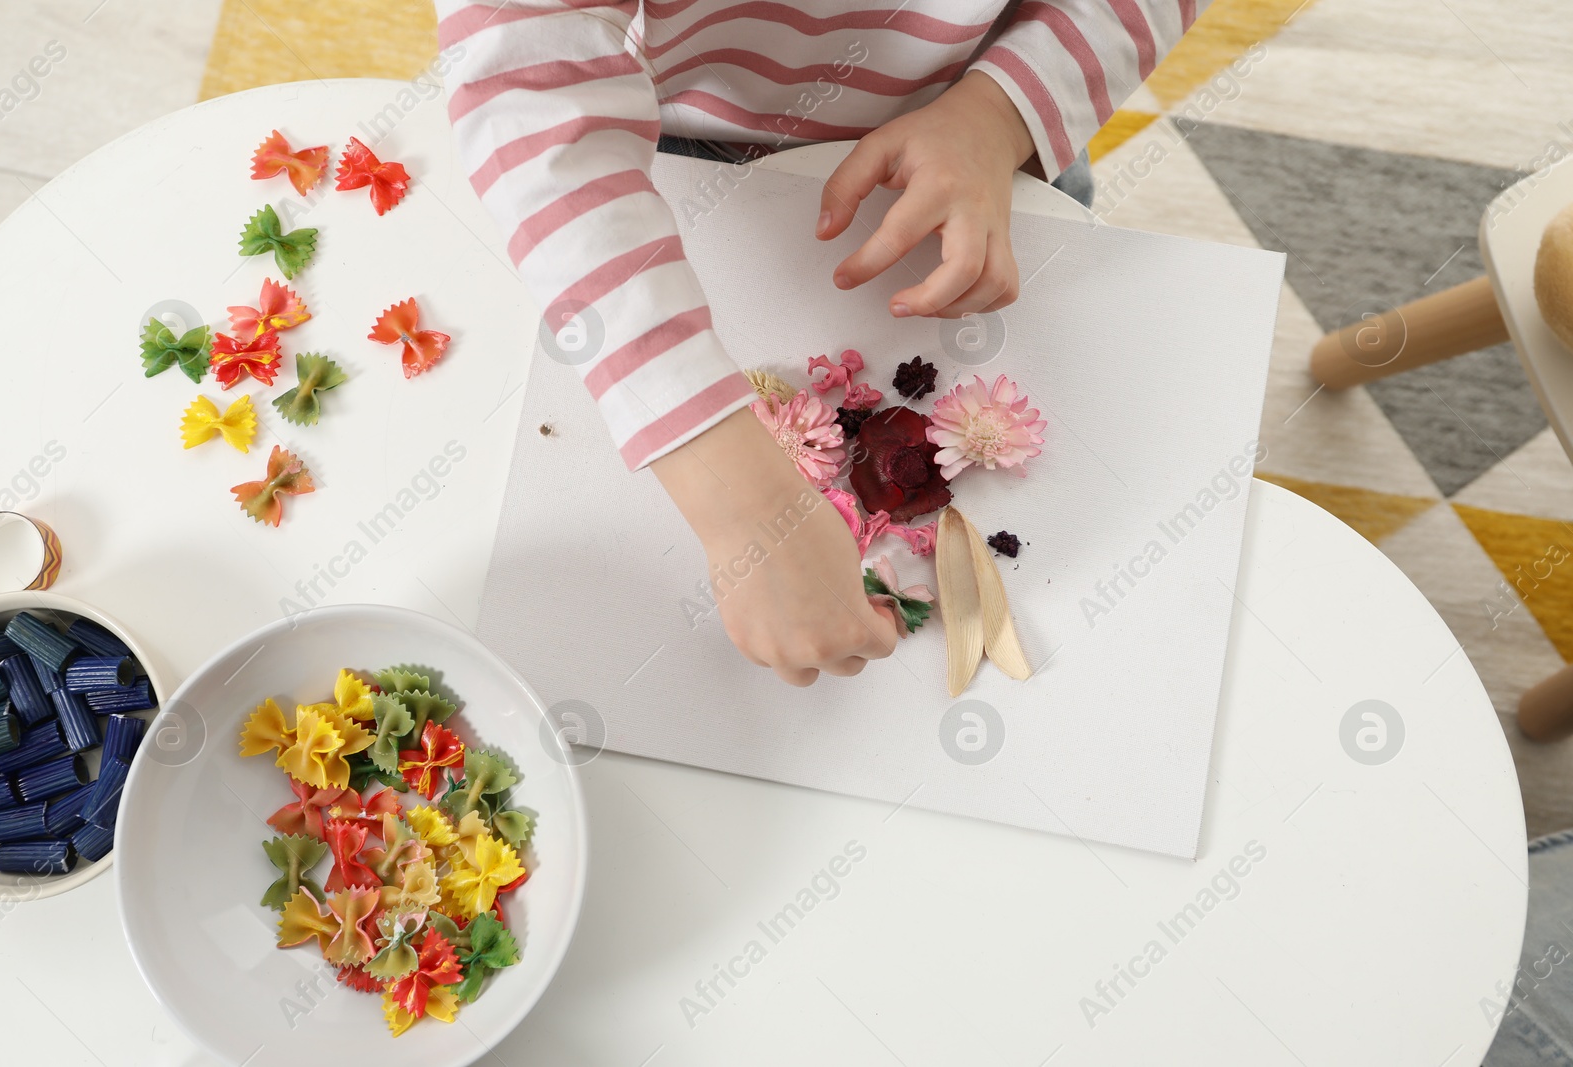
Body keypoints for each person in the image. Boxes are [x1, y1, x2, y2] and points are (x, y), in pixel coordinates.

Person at [435, 0, 1204, 686]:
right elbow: (527, 80)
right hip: (688, 134)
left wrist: (999, 114)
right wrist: (737, 494)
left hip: (994, 115)